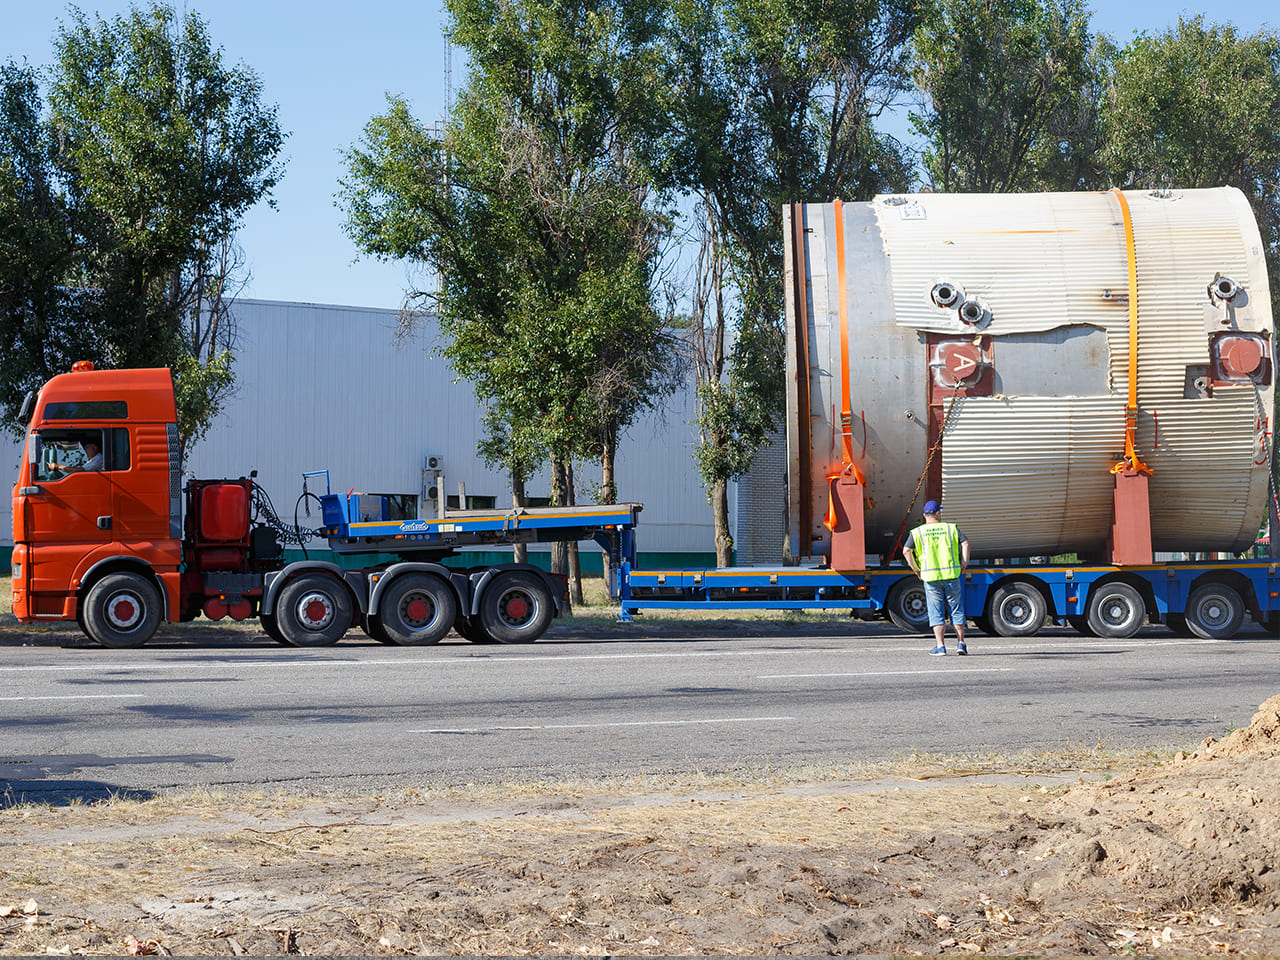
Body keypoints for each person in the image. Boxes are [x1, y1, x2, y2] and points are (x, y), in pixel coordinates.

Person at [903, 499, 970, 656]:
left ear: (924, 515)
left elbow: (906, 550)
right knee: (956, 609)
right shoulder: (950, 528)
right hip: (952, 575)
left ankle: (940, 646)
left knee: (936, 611)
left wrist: (916, 569)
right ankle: (961, 644)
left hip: (931, 577)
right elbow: (966, 543)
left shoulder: (918, 532)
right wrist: (963, 564)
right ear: (938, 513)